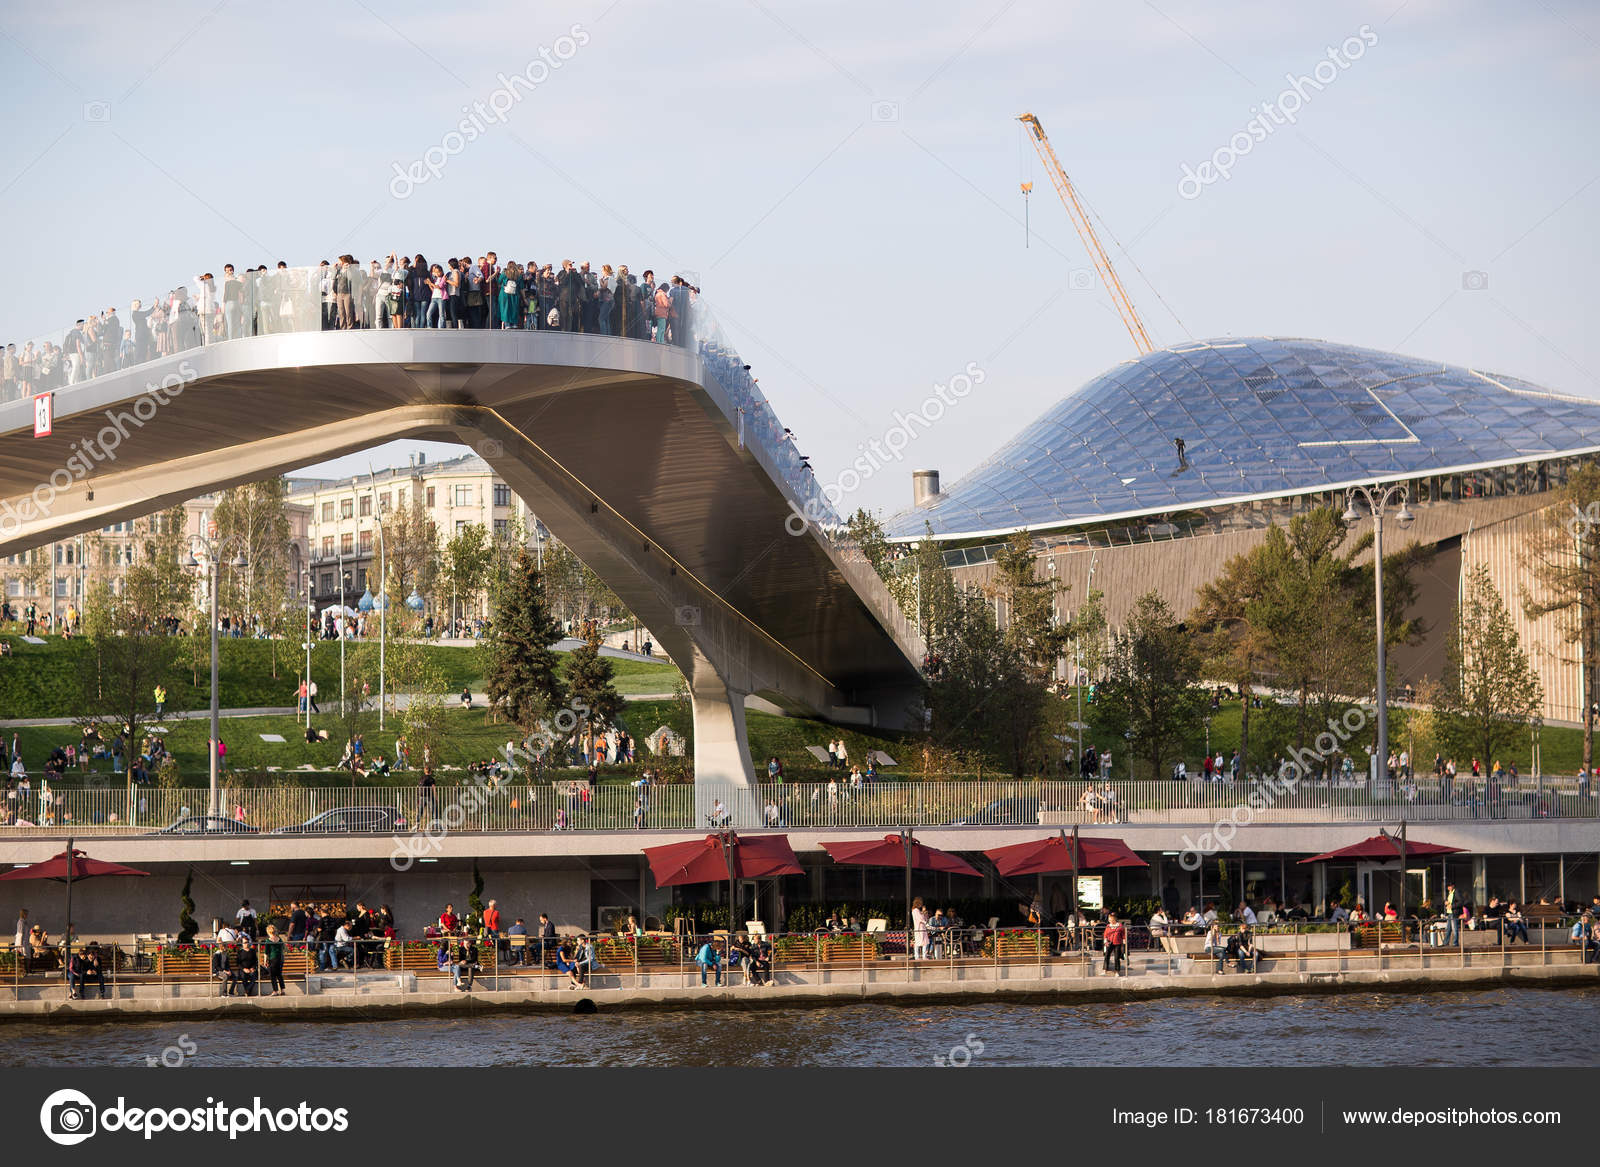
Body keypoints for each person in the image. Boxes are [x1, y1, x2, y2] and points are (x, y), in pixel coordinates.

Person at [262, 925, 287, 996]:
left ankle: (275, 991)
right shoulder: (279, 939)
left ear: (268, 932)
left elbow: (266, 953)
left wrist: (265, 962)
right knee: (279, 975)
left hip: (273, 959)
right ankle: (282, 990)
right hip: (281, 958)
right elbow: (283, 948)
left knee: (273, 975)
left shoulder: (268, 941)